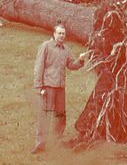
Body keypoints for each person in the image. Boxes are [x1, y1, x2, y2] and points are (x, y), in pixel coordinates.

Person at [32, 22, 88, 154]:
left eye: (63, 34)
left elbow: (71, 65)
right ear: (54, 34)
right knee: (44, 116)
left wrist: (80, 60)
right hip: (47, 87)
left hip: (60, 88)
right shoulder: (45, 46)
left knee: (60, 116)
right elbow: (38, 67)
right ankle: (40, 145)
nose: (61, 36)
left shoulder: (66, 50)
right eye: (59, 33)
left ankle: (57, 143)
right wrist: (39, 87)